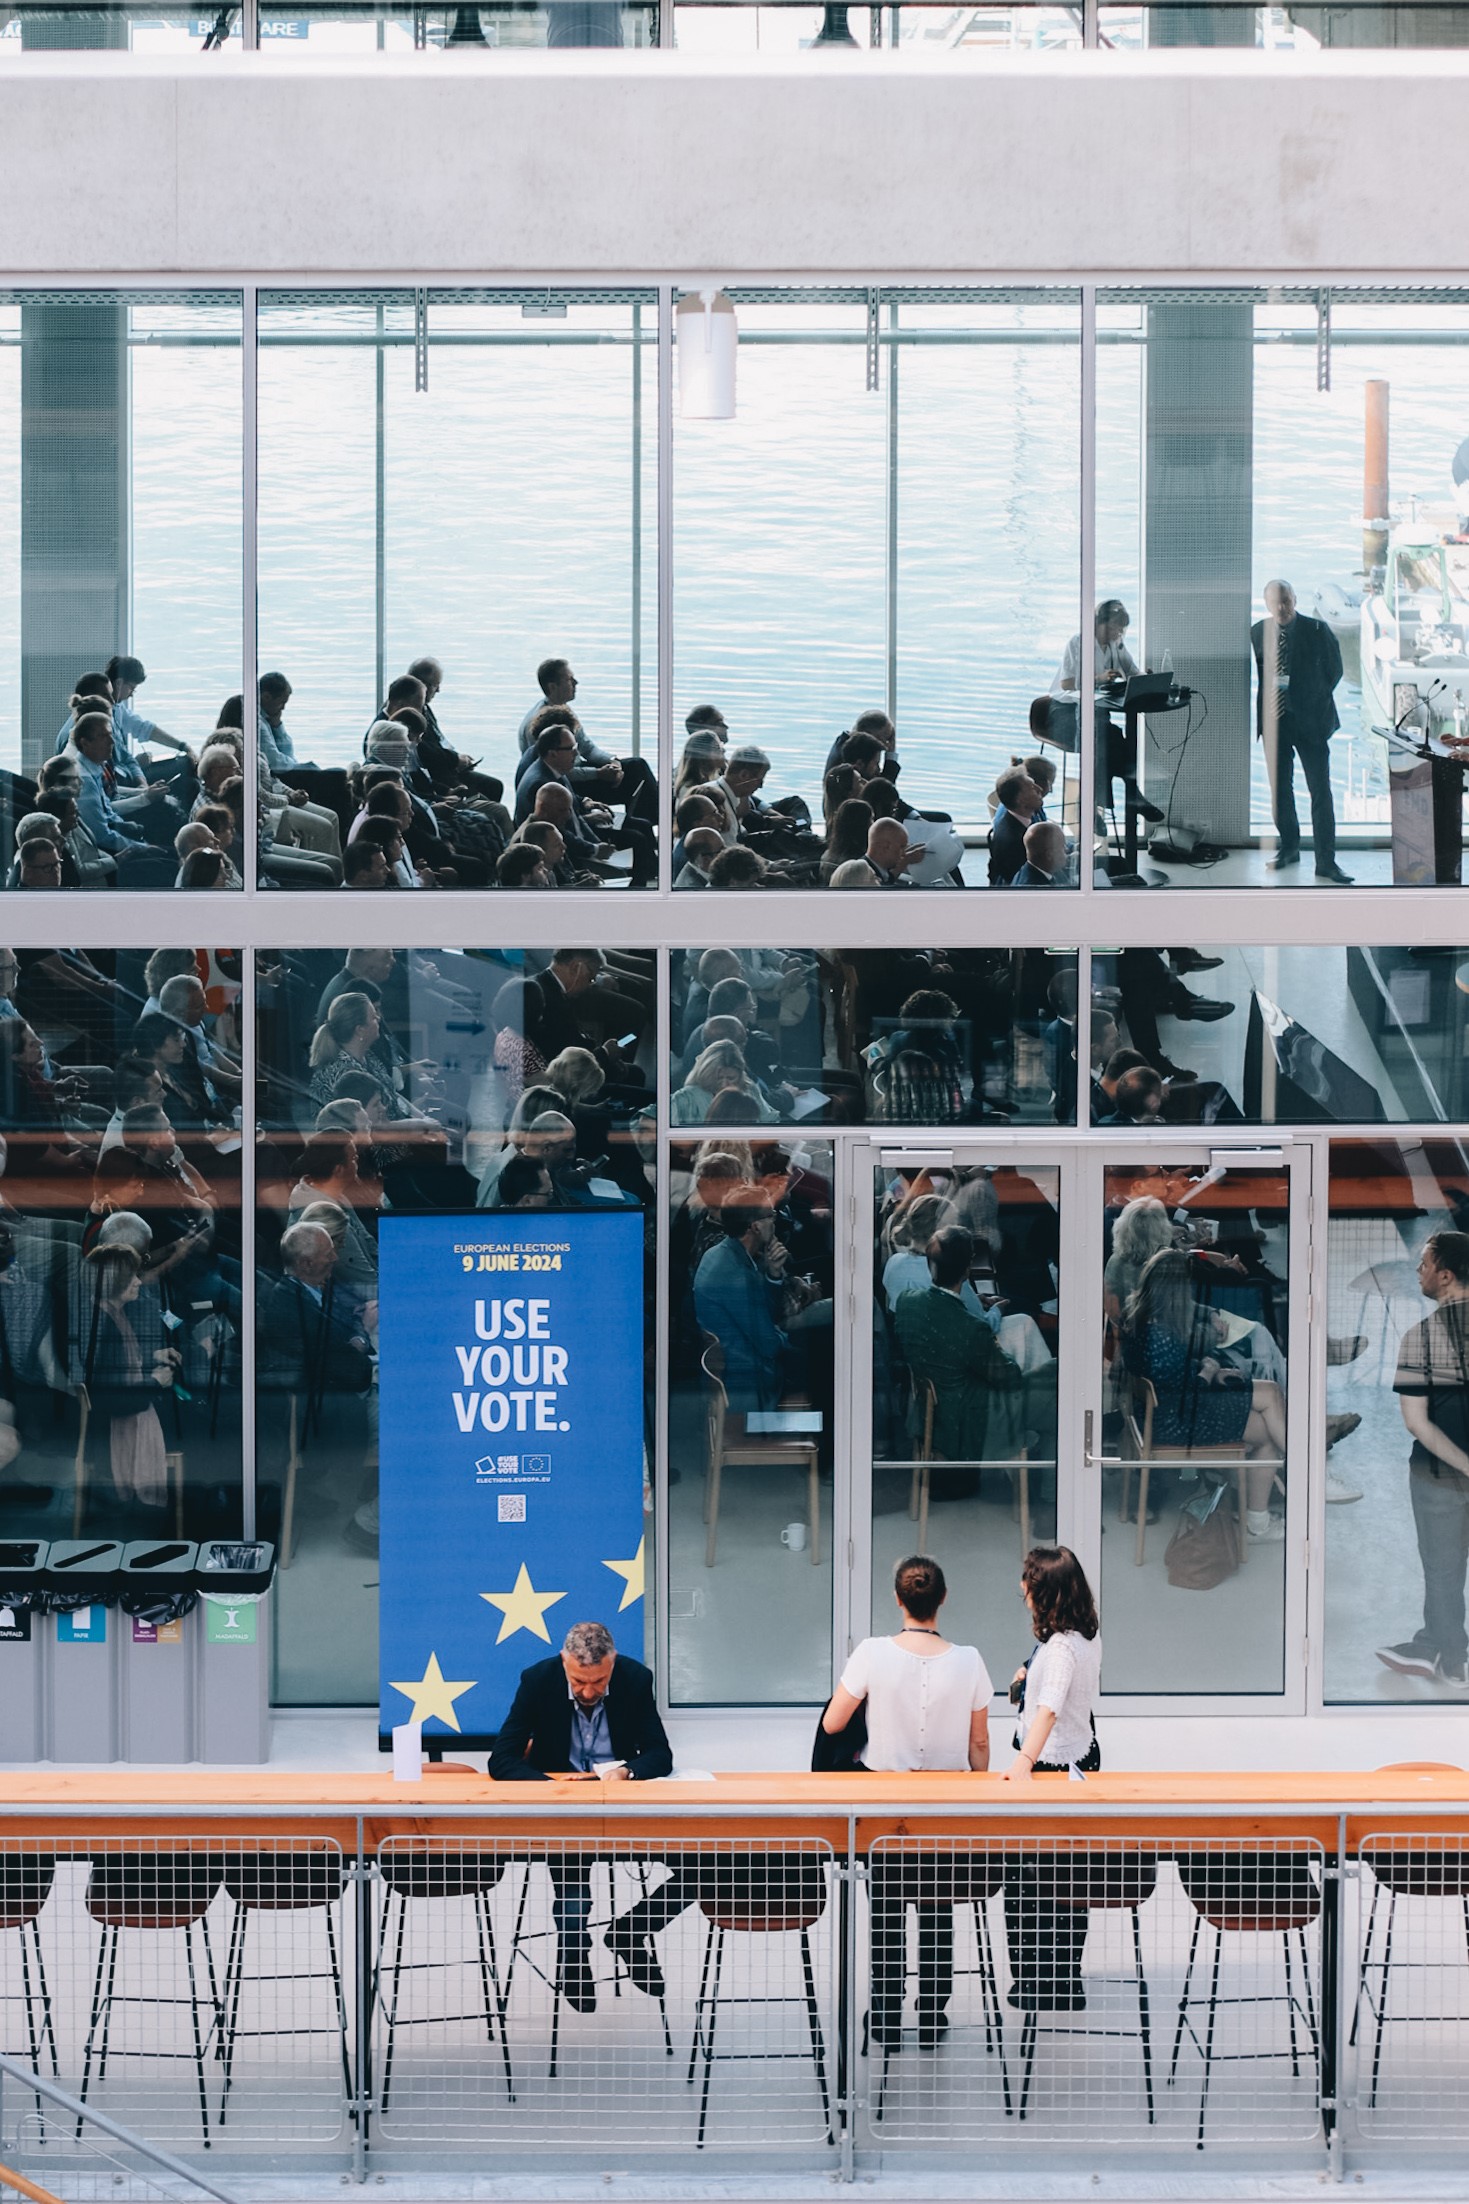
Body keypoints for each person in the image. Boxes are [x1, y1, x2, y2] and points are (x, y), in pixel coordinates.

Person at [820, 1555, 990, 2046]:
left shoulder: (872, 1653)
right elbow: (979, 1744)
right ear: (942, 1599)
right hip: (947, 1805)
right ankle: (933, 2013)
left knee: (887, 1911)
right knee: (939, 1907)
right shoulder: (970, 1660)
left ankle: (888, 2013)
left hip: (883, 1804)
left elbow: (833, 1723)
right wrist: (979, 1789)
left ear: (898, 1599)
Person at [489, 1620, 672, 2012]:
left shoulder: (636, 1679)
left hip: (620, 1802)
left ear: (613, 1664)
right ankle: (573, 1959)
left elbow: (661, 1754)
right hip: (564, 1807)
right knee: (574, 1883)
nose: (589, 1692)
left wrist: (628, 1771)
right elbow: (501, 1759)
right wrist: (552, 1786)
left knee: (701, 1864)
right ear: (564, 1663)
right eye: (578, 1682)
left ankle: (631, 1932)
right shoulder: (538, 1679)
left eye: (599, 1681)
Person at [1120, 1247, 1287, 1541]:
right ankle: (1268, 1512)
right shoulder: (1161, 1335)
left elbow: (1168, 1378)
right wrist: (1208, 1371)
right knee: (1269, 1432)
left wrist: (1208, 1369)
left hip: (1161, 1414)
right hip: (1177, 1422)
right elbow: (1183, 1395)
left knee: (1270, 1396)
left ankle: (1297, 1472)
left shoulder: (1139, 1319)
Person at [1001, 1546, 1103, 2011]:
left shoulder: (1060, 1647)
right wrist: (1029, 1669)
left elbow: (1050, 1710)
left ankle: (1036, 1981)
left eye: (1027, 1582)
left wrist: (1023, 1762)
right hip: (1080, 1757)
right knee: (1069, 1879)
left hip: (1052, 1765)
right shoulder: (1080, 1634)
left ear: (1044, 1592)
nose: (1021, 1589)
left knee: (1030, 1878)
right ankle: (1065, 1977)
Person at [1379, 1232, 1469, 1687]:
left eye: (1424, 1263)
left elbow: (1417, 1422)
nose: (1418, 1270)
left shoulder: (1420, 1337)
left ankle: (1450, 1659)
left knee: (1443, 1569)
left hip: (1437, 1476)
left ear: (1446, 1276)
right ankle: (1436, 1644)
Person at [892, 1227, 1028, 1496]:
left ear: (930, 1265)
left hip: (927, 1409)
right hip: (968, 1418)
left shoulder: (908, 1302)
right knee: (1051, 1388)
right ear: (967, 1271)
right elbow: (1009, 1377)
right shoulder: (970, 1328)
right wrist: (1001, 1347)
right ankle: (1042, 1490)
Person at [1251, 579, 1350, 884]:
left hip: (1311, 722)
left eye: (1286, 601)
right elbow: (1264, 672)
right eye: (1275, 603)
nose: (1282, 608)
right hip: (1275, 722)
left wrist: (1309, 700)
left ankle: (1326, 862)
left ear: (1295, 599)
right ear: (1267, 603)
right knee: (1280, 791)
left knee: (1320, 792)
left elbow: (1335, 671)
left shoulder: (1317, 630)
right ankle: (1289, 848)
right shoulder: (1257, 631)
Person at [1051, 598, 1163, 823]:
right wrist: (1098, 678)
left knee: (1116, 741)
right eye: (1114, 627)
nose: (1118, 633)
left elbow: (1131, 671)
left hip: (1096, 713)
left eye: (1121, 628)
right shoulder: (1079, 642)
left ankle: (1092, 806)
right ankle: (1127, 796)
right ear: (1098, 624)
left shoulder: (1116, 644)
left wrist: (1146, 678)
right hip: (1064, 712)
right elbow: (1067, 684)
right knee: (1109, 740)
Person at [987, 768, 1043, 885]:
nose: (1040, 789)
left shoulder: (1031, 815)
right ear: (1020, 800)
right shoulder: (1012, 841)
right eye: (1033, 788)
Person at [1012, 819, 1068, 886]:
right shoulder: (1035, 888)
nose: (1067, 849)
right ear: (1049, 855)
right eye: (1063, 846)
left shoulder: (1043, 869)